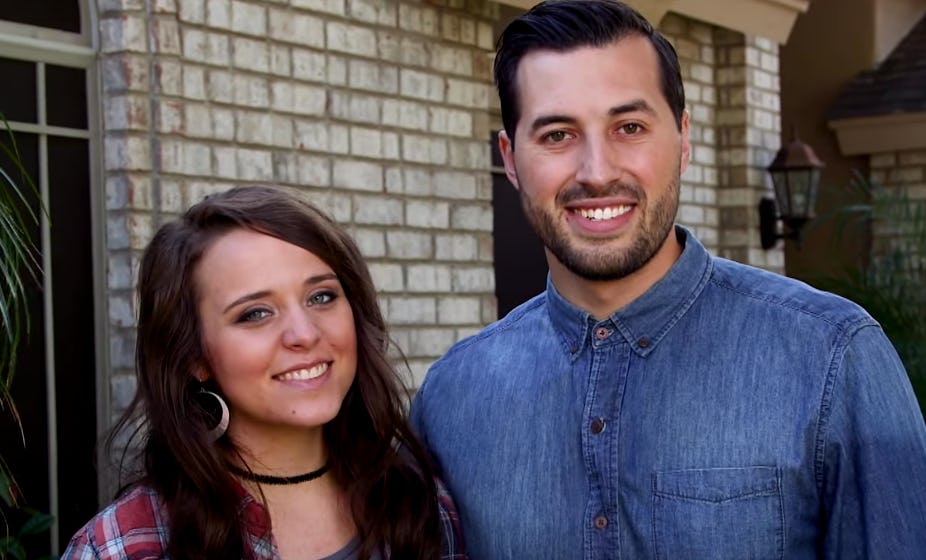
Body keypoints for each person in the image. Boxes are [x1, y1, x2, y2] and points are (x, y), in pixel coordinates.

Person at [410, 1, 926, 558]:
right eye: (557, 135)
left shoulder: (832, 359)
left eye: (629, 127)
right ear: (510, 158)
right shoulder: (451, 400)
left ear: (682, 138)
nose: (597, 172)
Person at [63, 186, 465, 560]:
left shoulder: (422, 506)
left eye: (321, 296)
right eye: (255, 313)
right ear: (194, 358)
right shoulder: (124, 546)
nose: (305, 334)